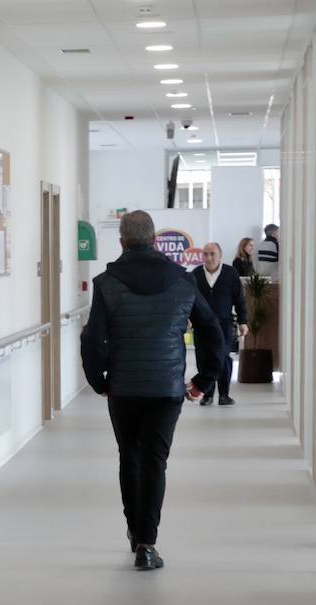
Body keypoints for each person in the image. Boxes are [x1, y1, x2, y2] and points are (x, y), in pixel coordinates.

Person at [80, 210, 223, 571]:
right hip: (166, 386)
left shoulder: (106, 283)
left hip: (124, 387)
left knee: (129, 456)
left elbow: (92, 338)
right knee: (155, 461)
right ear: (155, 239)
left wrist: (99, 382)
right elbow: (211, 329)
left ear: (122, 241)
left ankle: (133, 530)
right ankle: (147, 543)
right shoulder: (182, 280)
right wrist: (205, 379)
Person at [192, 242, 249, 407]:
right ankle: (207, 394)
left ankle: (224, 394)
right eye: (205, 254)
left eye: (212, 254)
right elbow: (188, 301)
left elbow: (240, 300)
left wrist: (243, 322)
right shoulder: (195, 275)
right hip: (201, 325)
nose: (209, 258)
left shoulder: (230, 274)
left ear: (220, 255)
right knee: (203, 359)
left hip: (224, 324)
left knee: (223, 357)